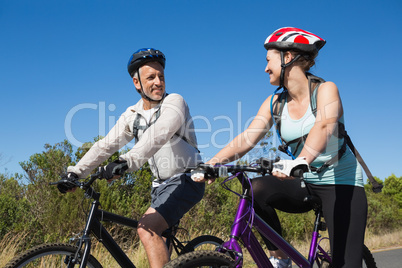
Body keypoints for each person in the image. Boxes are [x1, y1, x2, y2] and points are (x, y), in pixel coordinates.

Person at [200, 27, 367, 268]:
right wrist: (213, 162)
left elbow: (324, 126)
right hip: (305, 182)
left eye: (269, 61)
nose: (265, 68)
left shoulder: (325, 90)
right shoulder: (274, 103)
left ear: (287, 57)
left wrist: (301, 159)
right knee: (255, 189)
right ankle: (280, 257)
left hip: (341, 184)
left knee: (345, 264)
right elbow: (247, 138)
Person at [57, 48, 205, 268]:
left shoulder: (175, 102)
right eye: (151, 77)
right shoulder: (132, 116)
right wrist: (76, 172)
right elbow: (106, 145)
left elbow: (160, 133)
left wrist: (126, 161)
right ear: (137, 83)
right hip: (160, 187)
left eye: (161, 77)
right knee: (161, 249)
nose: (158, 82)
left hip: (187, 179)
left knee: (147, 228)